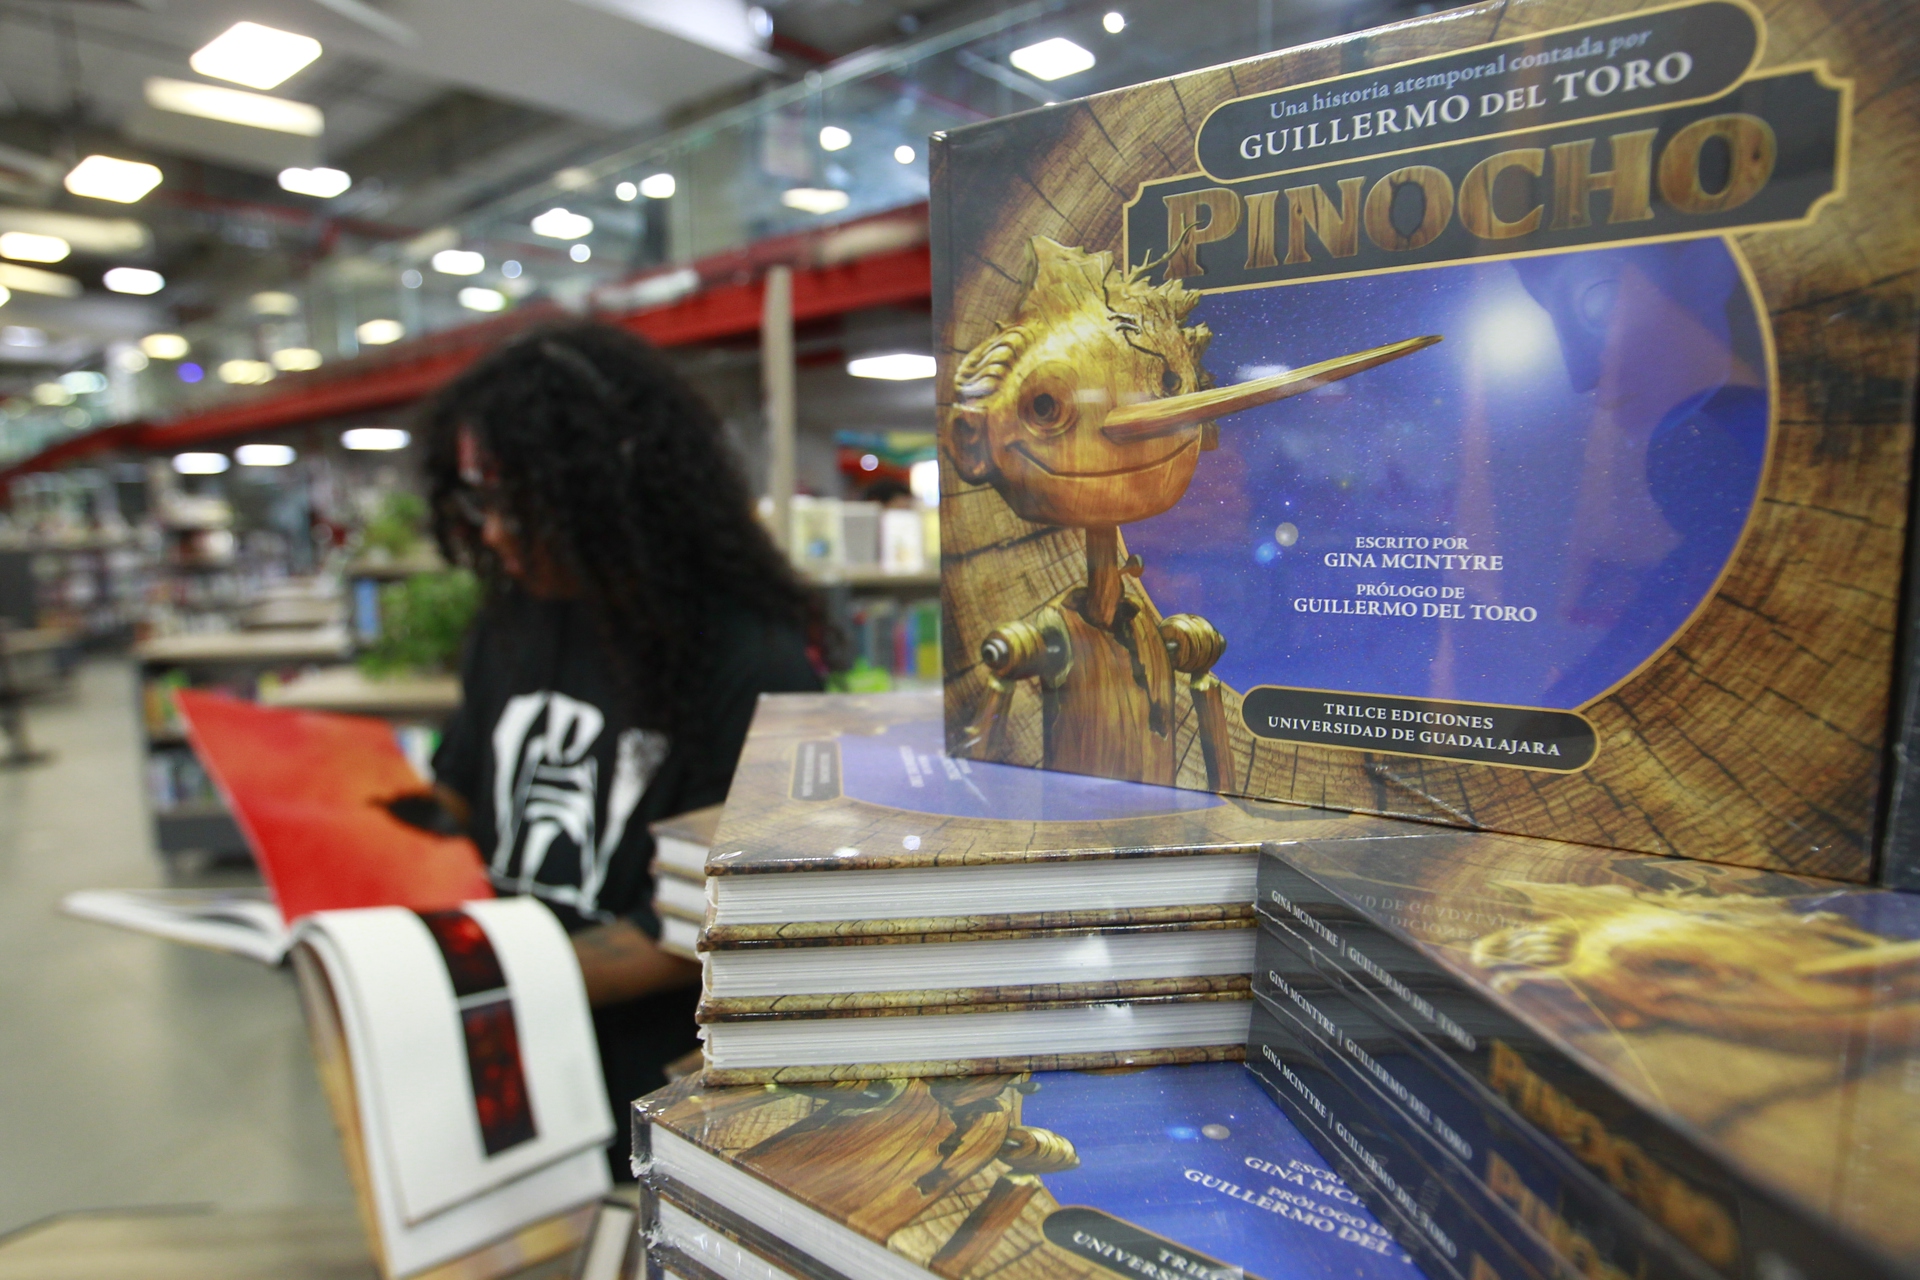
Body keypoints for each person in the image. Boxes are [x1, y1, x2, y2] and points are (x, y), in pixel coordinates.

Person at [418, 322, 823, 1172]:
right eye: (476, 502)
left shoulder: (747, 656)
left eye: (516, 505)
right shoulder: (513, 621)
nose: (492, 533)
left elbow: (718, 920)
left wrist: (496, 981)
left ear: (612, 495)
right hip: (496, 1058)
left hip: (644, 1093)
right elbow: (461, 794)